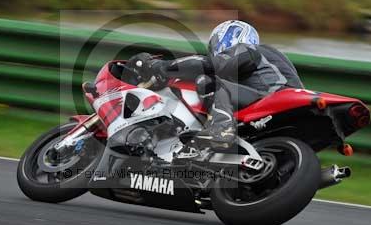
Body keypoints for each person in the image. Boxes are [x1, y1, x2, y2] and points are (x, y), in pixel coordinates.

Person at [127, 20, 303, 148]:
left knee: (210, 82)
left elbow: (211, 65)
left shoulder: (249, 49)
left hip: (272, 98)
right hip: (284, 110)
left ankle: (222, 129)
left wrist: (161, 67)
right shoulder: (270, 59)